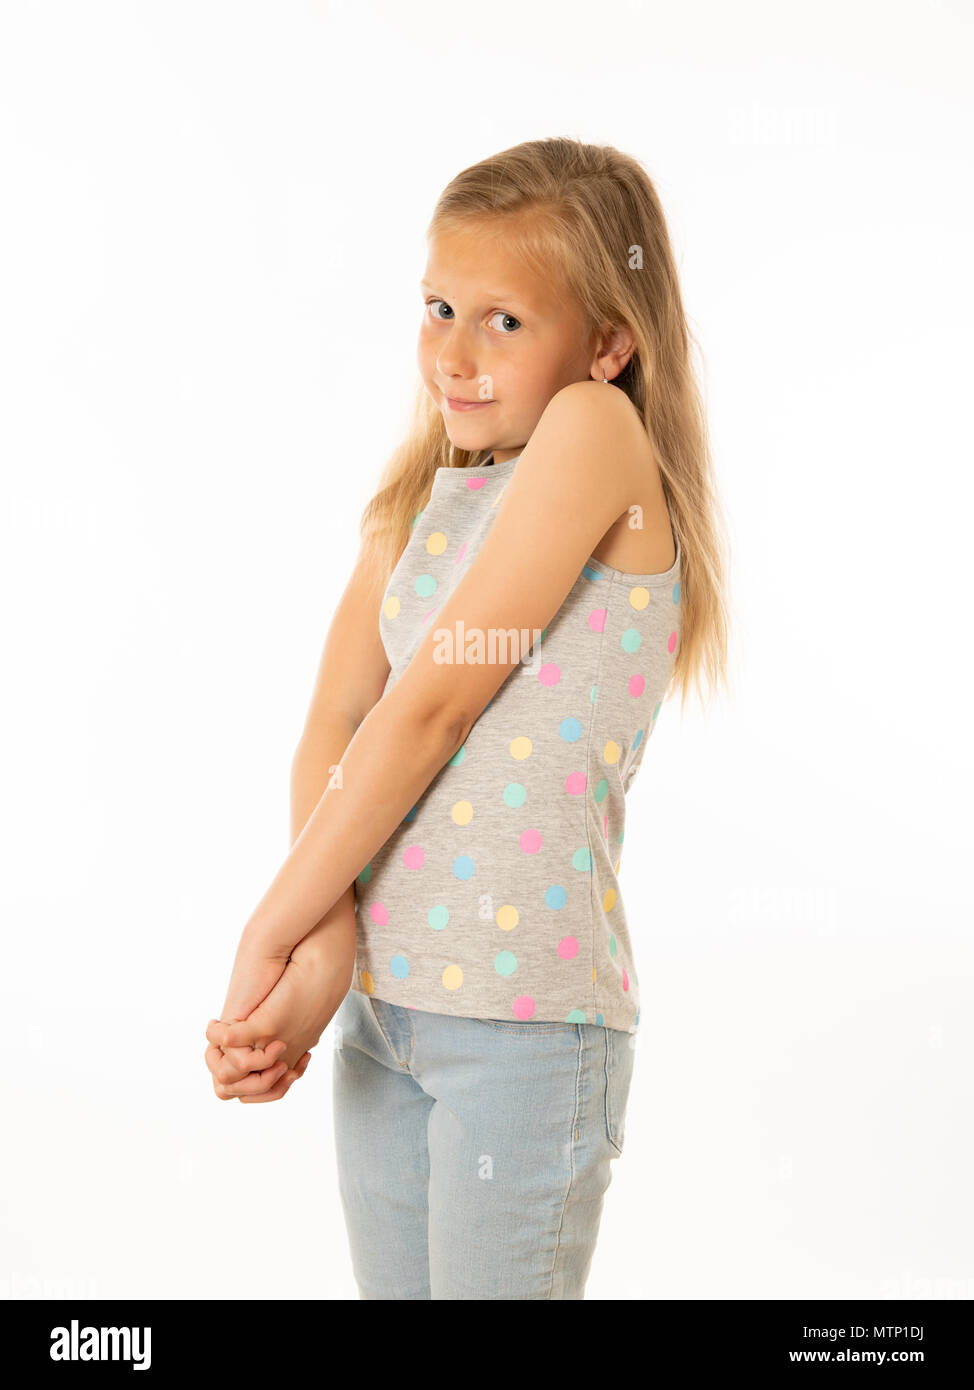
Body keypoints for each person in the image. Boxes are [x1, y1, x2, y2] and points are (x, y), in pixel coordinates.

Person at [203, 136, 730, 1298]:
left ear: (605, 342)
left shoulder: (597, 432)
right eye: (440, 306)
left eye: (503, 320)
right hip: (383, 1020)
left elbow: (433, 704)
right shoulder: (413, 500)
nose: (454, 350)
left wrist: (266, 930)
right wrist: (327, 949)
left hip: (523, 1027)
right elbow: (336, 727)